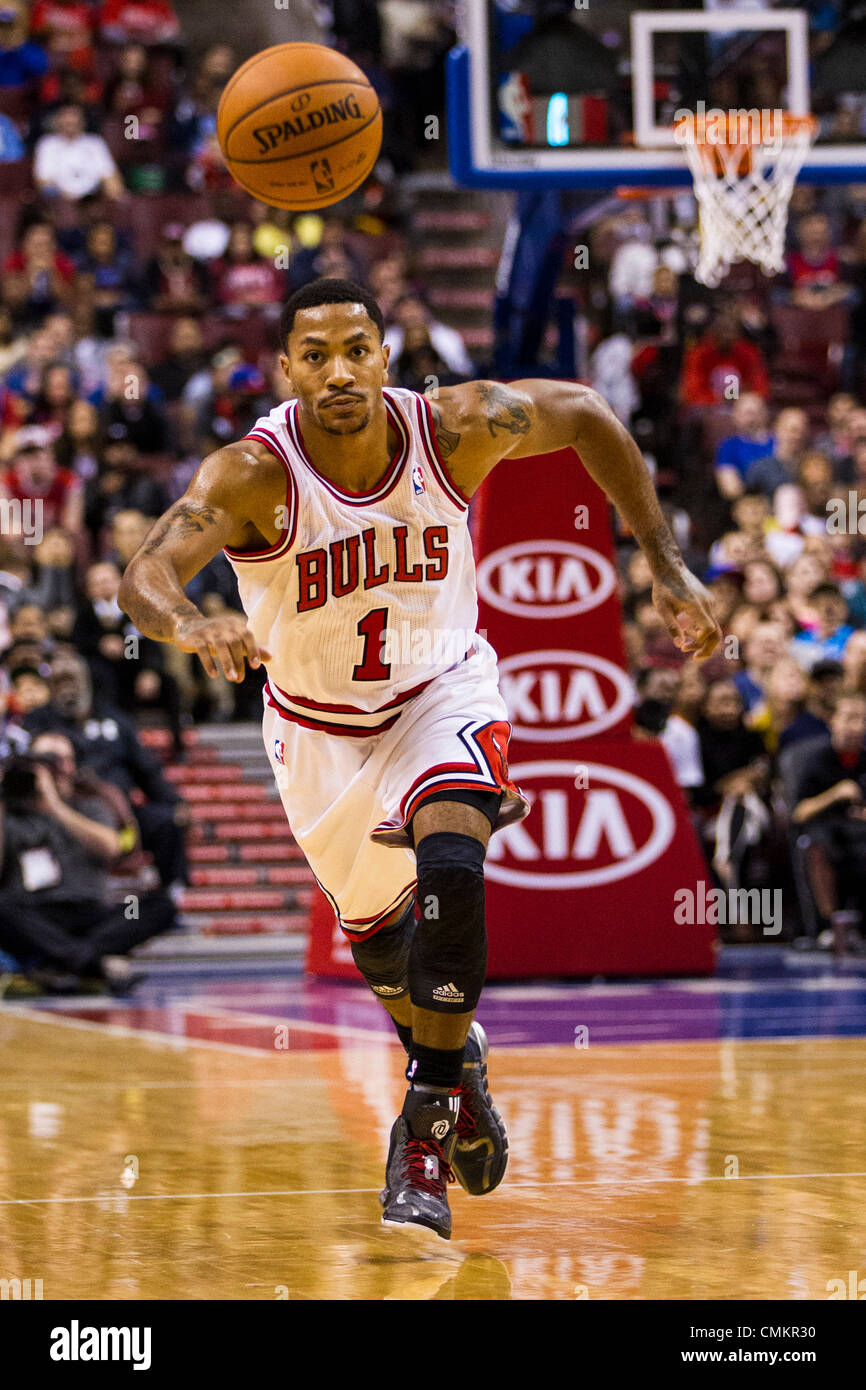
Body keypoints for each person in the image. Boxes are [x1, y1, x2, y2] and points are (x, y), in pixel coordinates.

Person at [117, 276, 721, 1242]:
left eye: (358, 348)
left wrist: (661, 559)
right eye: (315, 355)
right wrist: (192, 623)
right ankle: (457, 1064)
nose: (340, 371)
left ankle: (425, 1127)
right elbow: (142, 572)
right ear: (286, 370)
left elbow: (591, 413)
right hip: (315, 731)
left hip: (443, 692)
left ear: (386, 356)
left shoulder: (456, 427)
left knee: (452, 859)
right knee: (388, 957)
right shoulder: (251, 475)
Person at [0, 731, 175, 990]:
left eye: (57, 759)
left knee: (154, 905)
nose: (49, 766)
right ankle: (97, 965)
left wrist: (54, 806)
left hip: (93, 912)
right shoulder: (11, 813)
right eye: (41, 759)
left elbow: (111, 847)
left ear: (71, 763)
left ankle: (62, 963)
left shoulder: (91, 803)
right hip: (34, 913)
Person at [791, 692, 866, 950]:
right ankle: (827, 926)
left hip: (859, 831)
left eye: (862, 720)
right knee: (817, 846)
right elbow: (800, 811)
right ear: (833, 721)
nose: (856, 727)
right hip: (823, 830)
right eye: (850, 719)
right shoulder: (815, 760)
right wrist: (835, 794)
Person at [33, 102, 124, 201]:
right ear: (57, 120)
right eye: (66, 117)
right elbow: (42, 181)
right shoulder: (47, 144)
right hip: (60, 201)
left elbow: (110, 176)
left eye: (74, 116)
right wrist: (68, 197)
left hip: (92, 201)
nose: (70, 121)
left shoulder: (95, 143)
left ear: (83, 120)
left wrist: (117, 197)